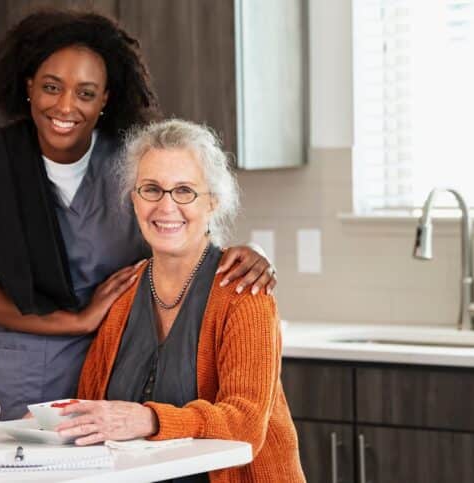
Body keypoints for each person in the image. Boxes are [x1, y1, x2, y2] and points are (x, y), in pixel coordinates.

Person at [0, 9, 277, 420]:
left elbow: (179, 229)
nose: (65, 106)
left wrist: (248, 253)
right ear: (28, 85)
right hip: (17, 373)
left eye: (85, 92)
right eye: (51, 87)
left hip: (116, 368)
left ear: (105, 99)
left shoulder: (128, 163)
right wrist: (73, 321)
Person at [56, 120, 304, 482]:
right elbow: (96, 407)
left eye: (185, 191)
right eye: (151, 189)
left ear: (213, 203)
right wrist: (59, 425)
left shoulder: (243, 294)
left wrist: (151, 419)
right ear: (134, 199)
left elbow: (246, 423)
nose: (166, 206)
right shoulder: (123, 293)